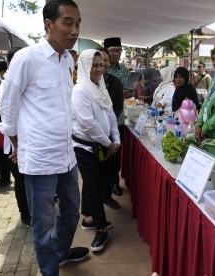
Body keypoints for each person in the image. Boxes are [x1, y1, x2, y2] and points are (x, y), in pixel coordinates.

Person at [0, 1, 88, 274]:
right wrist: (16, 144)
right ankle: (49, 270)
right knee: (42, 226)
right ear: (49, 24)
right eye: (68, 23)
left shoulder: (65, 61)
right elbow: (8, 106)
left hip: (66, 155)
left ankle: (59, 254)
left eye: (78, 24)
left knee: (72, 212)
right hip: (39, 159)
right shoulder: (27, 58)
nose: (74, 31)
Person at [72, 49, 120, 252]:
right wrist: (108, 143)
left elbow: (110, 114)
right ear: (84, 66)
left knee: (95, 184)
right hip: (85, 147)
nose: (99, 69)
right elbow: (87, 123)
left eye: (101, 65)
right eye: (94, 65)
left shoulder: (99, 86)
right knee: (94, 185)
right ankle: (101, 228)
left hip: (102, 145)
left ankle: (90, 219)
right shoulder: (80, 90)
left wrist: (116, 138)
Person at [0, 46, 30, 226]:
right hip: (15, 143)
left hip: (23, 140)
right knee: (21, 180)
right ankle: (25, 214)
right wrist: (17, 146)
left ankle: (28, 212)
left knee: (26, 181)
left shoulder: (17, 80)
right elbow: (8, 118)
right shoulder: (7, 85)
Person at [99, 48, 124, 205]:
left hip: (111, 129)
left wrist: (107, 126)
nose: (103, 64)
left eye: (105, 60)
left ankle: (107, 195)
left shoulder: (116, 82)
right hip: (93, 133)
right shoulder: (88, 83)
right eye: (99, 60)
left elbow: (118, 108)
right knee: (97, 168)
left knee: (111, 164)